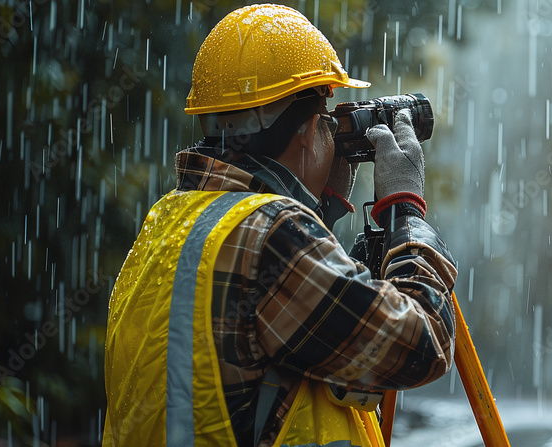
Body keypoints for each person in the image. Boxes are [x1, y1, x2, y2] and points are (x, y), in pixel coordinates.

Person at [103, 4, 457, 447]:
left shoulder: (166, 225)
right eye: (327, 123)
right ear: (308, 133)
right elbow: (423, 344)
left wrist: (319, 208)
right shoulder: (273, 235)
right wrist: (405, 209)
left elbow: (261, 350)